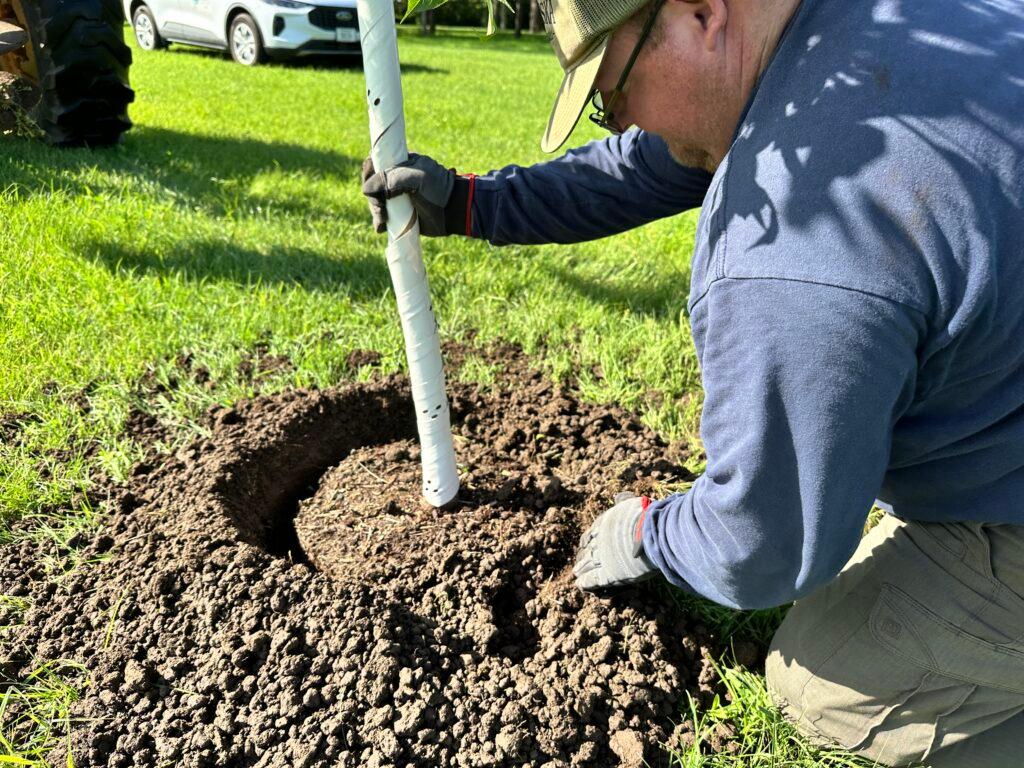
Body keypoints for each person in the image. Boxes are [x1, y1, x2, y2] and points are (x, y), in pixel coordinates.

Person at [362, 0, 1024, 765]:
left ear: (703, 14)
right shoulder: (879, 27)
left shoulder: (797, 249)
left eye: (614, 98)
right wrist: (481, 204)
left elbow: (762, 545)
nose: (622, 123)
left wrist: (648, 533)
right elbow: (658, 162)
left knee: (818, 688)